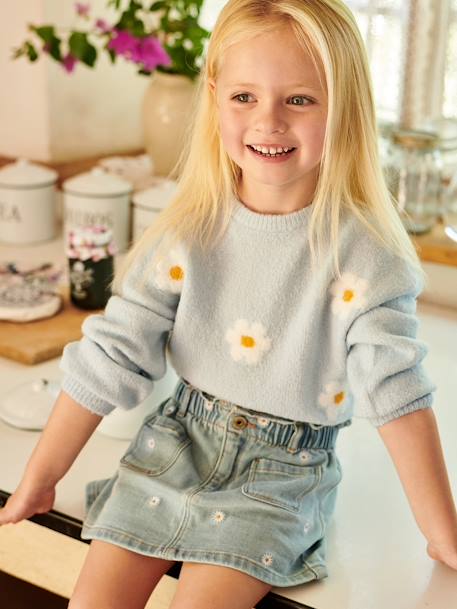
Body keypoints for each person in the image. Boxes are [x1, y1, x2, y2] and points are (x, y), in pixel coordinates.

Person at [1, 0, 456, 607]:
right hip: (176, 444)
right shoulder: (187, 227)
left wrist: (442, 533)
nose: (268, 121)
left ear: (344, 106)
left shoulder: (368, 256)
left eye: (299, 99)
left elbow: (397, 393)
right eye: (245, 97)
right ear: (214, 97)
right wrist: (41, 475)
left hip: (283, 474)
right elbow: (112, 353)